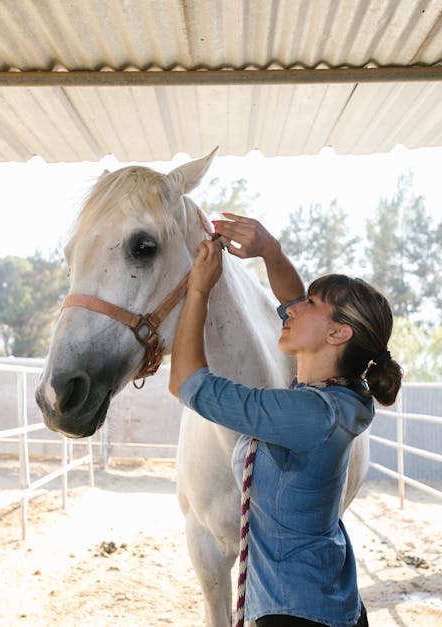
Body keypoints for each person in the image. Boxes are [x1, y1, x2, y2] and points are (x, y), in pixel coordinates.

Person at [169, 213, 403, 627]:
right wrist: (270, 252)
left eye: (310, 305)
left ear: (337, 335)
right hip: (327, 604)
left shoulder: (309, 414)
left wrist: (199, 290)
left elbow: (188, 382)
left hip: (294, 616)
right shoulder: (341, 395)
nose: (293, 309)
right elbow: (291, 299)